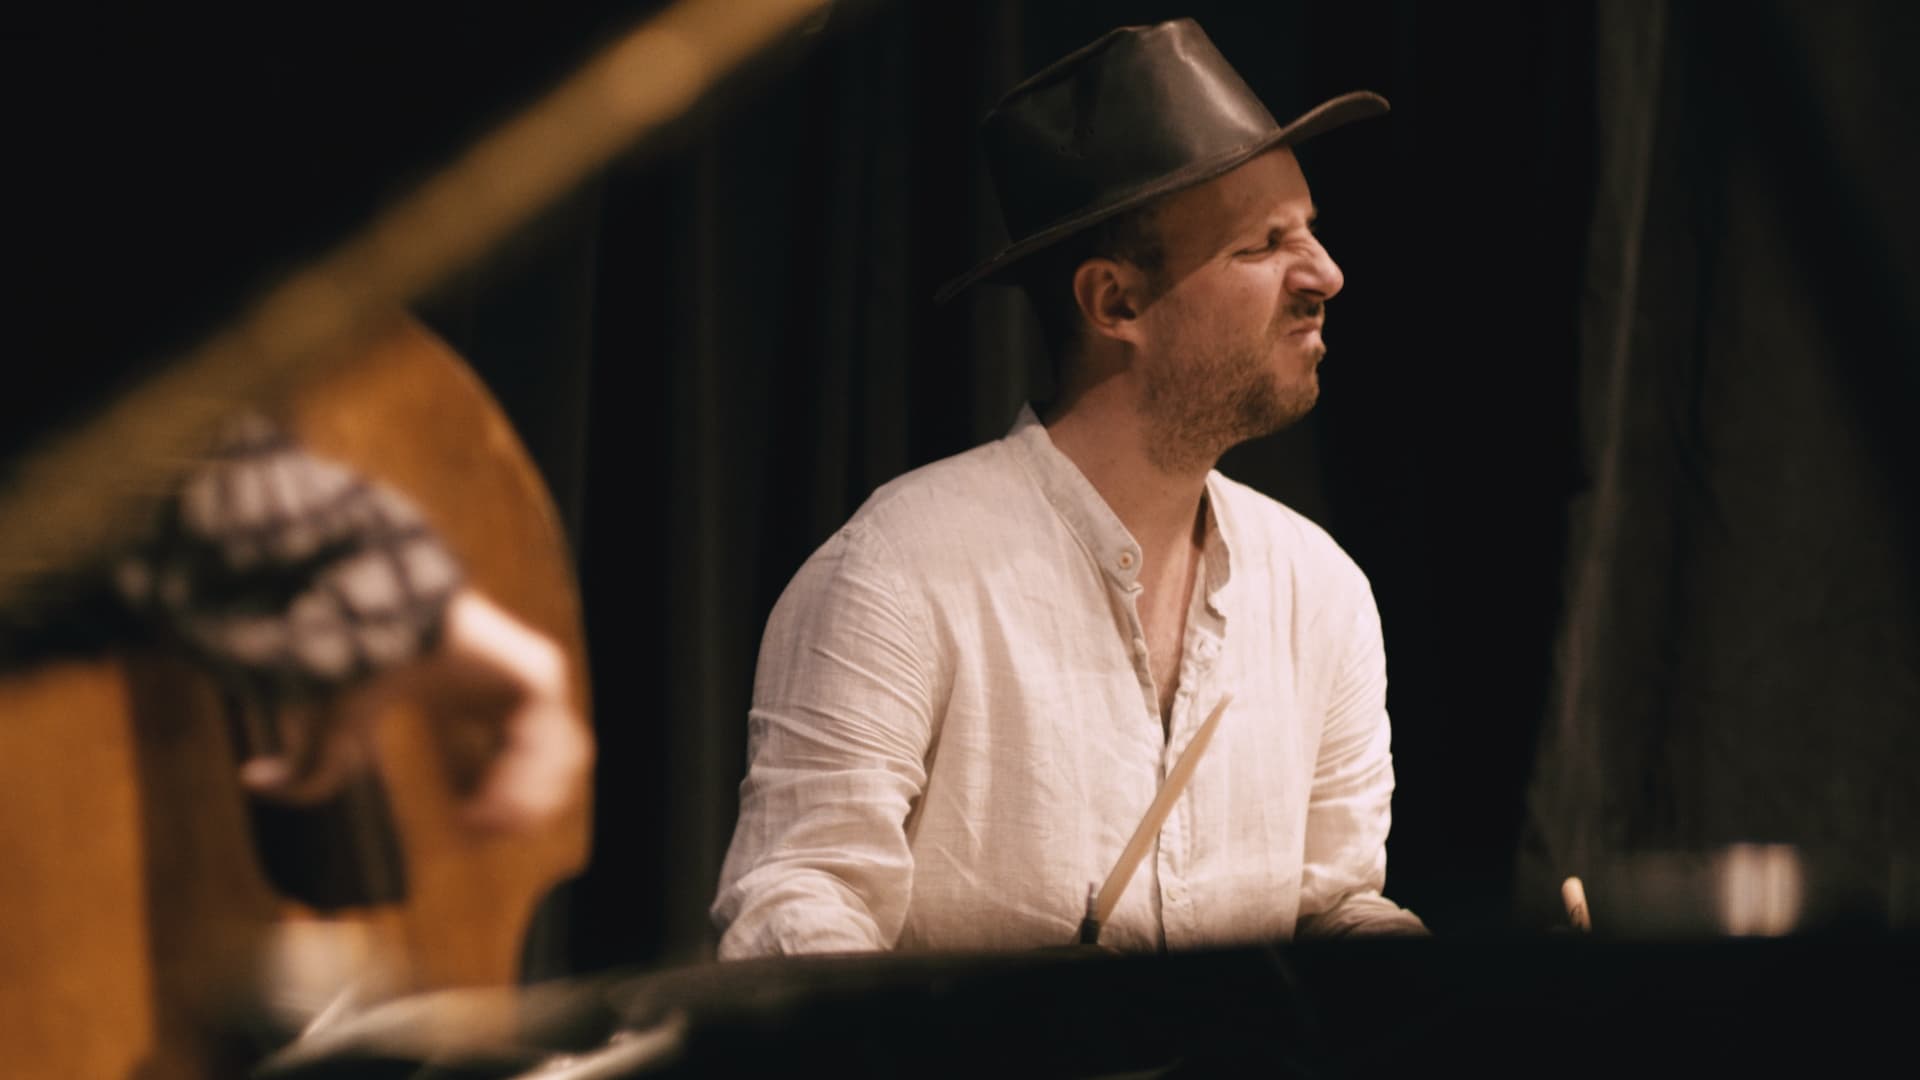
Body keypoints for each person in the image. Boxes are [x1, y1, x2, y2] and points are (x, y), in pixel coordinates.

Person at [712, 18, 1425, 957]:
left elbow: (1330, 906)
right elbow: (796, 923)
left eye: (1312, 233)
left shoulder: (1320, 592)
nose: (1326, 274)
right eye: (1262, 246)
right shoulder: (896, 578)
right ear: (1115, 302)